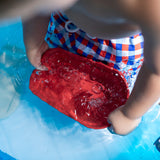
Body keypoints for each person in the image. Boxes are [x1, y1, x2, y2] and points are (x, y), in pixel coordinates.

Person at [4, 0, 160, 135]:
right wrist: (34, 44)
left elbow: (156, 71)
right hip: (67, 26)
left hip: (121, 49)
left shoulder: (150, 7)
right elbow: (36, 8)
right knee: (53, 60)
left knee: (132, 85)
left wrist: (130, 114)